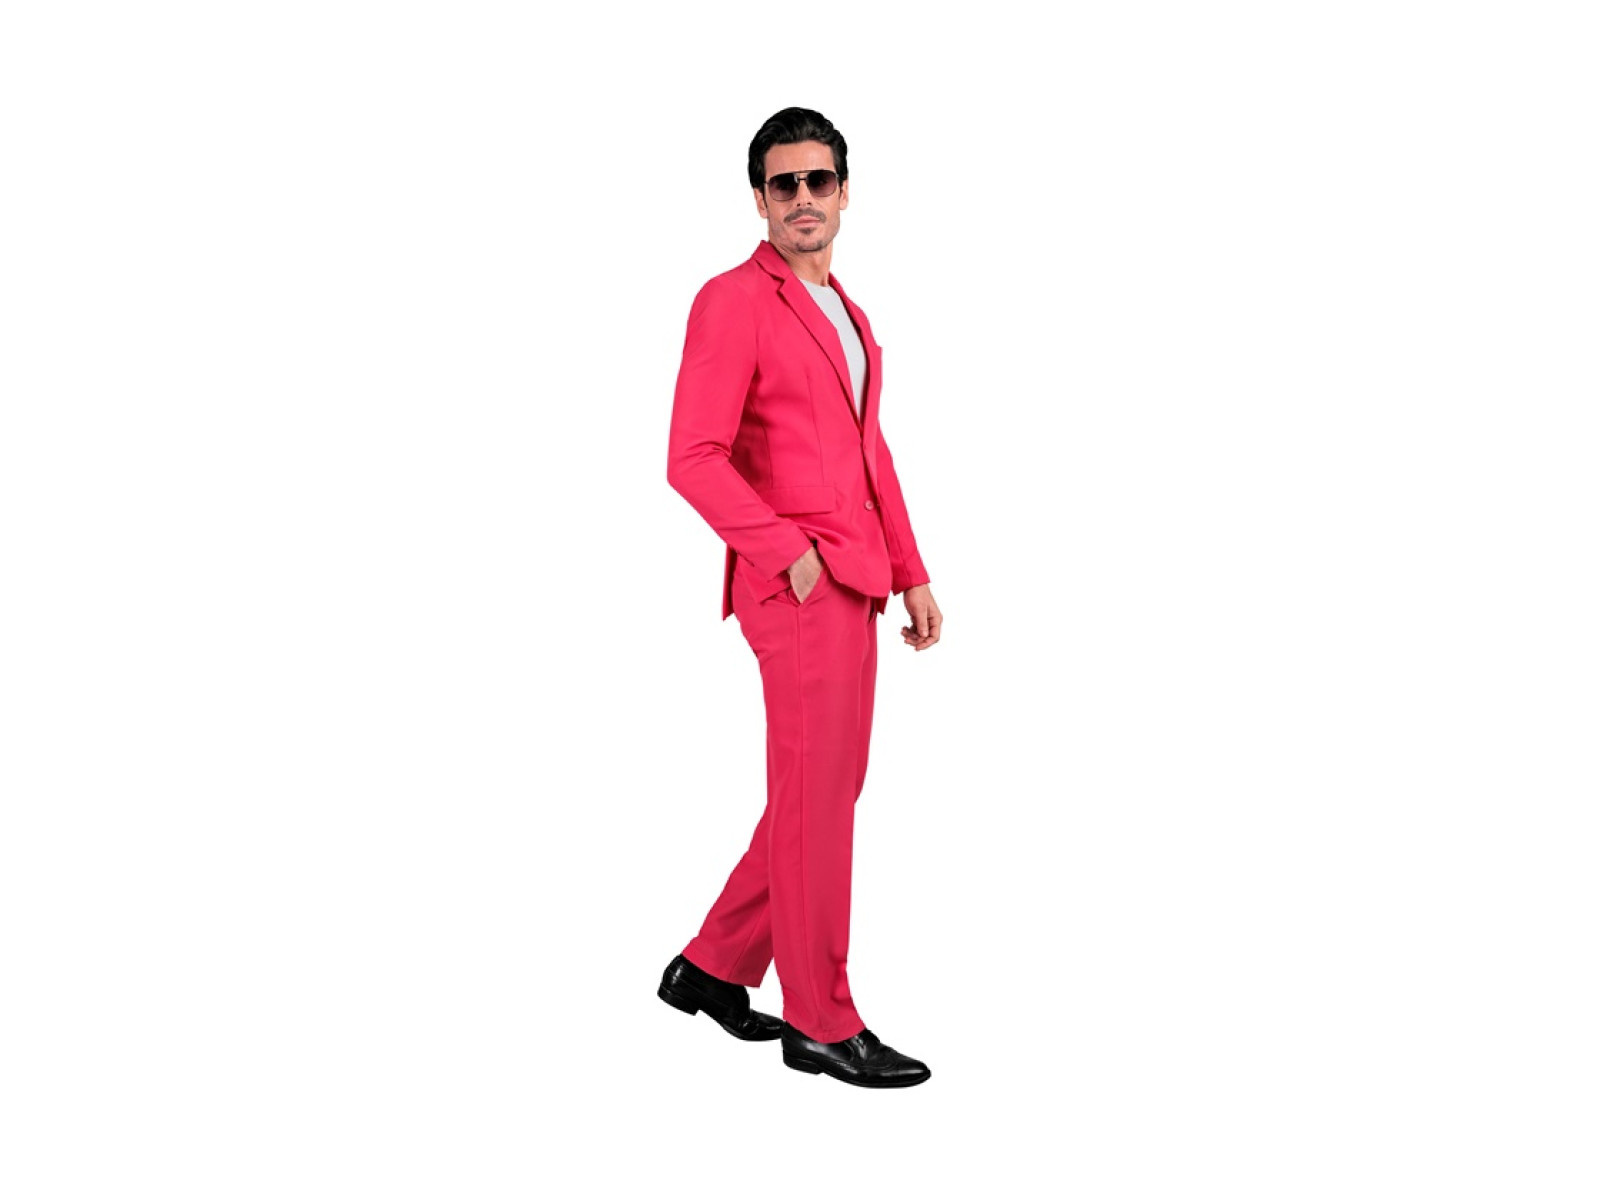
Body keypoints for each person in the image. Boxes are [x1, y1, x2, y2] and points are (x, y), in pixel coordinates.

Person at [657, 107, 943, 1089]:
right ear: (760, 200)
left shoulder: (848, 313)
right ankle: (821, 1020)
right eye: (784, 185)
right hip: (798, 588)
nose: (804, 199)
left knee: (820, 795)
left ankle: (712, 964)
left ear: (844, 191)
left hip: (857, 580)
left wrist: (911, 570)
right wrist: (791, 556)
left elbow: (871, 453)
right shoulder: (732, 300)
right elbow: (691, 456)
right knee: (819, 804)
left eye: (819, 180)